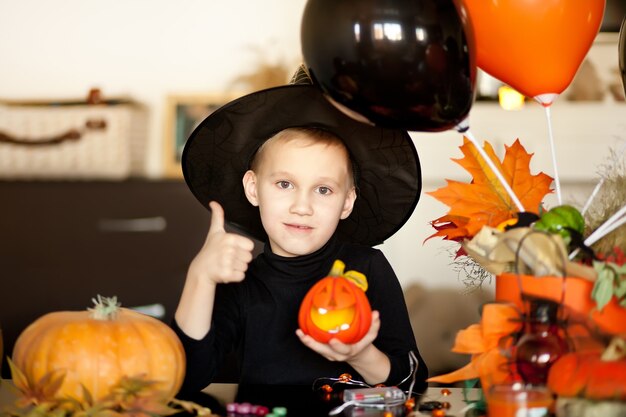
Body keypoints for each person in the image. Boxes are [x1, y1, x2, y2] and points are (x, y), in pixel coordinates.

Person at [171, 68, 428, 395]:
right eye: (284, 184)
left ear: (347, 202)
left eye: (323, 190)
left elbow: (414, 382)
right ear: (253, 188)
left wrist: (362, 355)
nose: (302, 206)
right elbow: (187, 378)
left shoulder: (368, 267)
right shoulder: (240, 281)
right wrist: (200, 277)